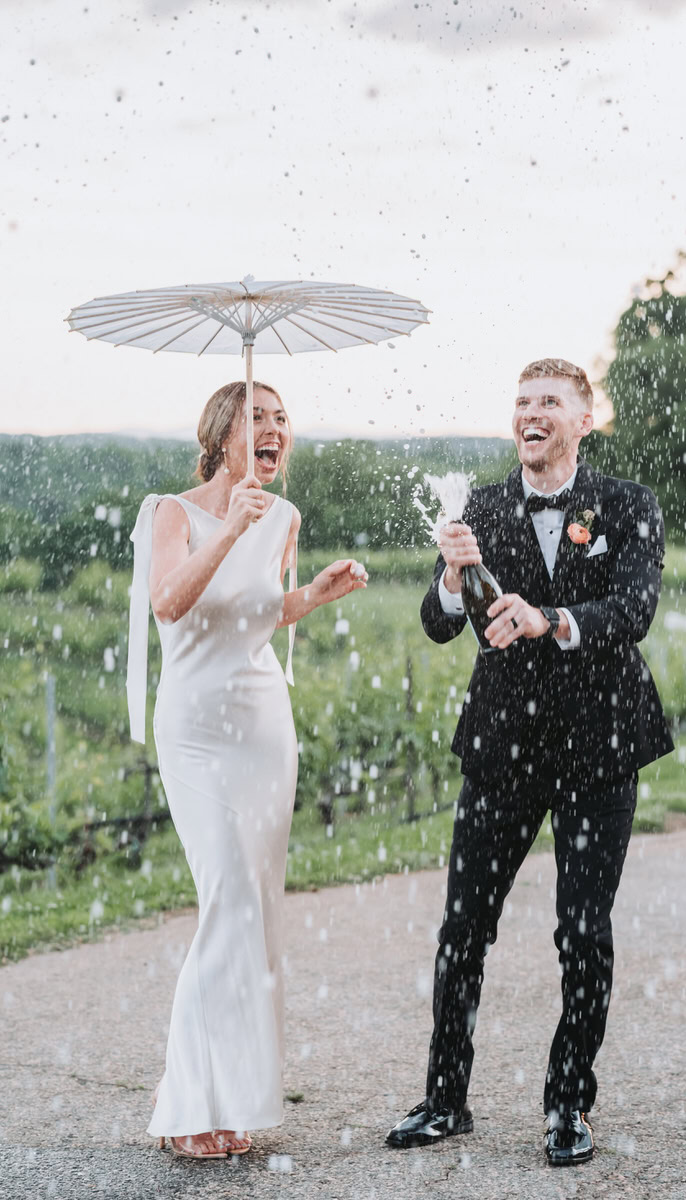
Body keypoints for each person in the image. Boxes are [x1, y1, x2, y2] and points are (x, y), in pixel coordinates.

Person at [386, 358, 673, 1166]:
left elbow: (631, 610)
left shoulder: (627, 505)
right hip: (502, 747)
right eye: (521, 403)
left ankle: (567, 1105)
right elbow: (439, 623)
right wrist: (453, 577)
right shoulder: (477, 509)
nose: (531, 413)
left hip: (599, 746)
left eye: (549, 402)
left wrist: (548, 618)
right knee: (463, 930)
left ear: (585, 418)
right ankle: (446, 1100)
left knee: (583, 934)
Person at [127, 380, 368, 1160]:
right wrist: (227, 528)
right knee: (226, 898)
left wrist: (312, 597)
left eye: (281, 418)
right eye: (257, 417)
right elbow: (171, 603)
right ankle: (184, 1104)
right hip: (197, 730)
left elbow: (257, 614)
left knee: (257, 913)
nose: (274, 429)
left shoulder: (286, 517)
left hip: (265, 727)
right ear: (221, 433)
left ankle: (226, 1100)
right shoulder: (175, 511)